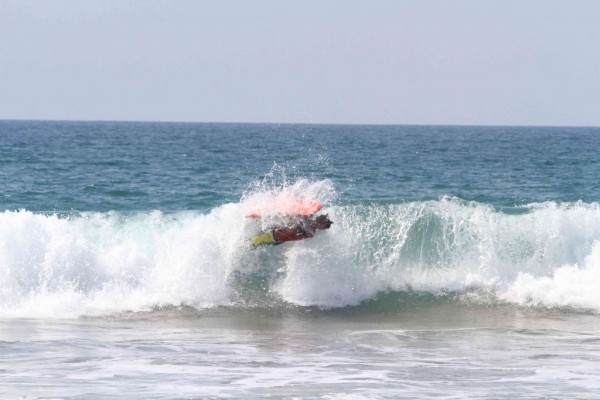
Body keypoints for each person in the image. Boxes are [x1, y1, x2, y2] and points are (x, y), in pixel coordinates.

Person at [251, 214, 333, 247]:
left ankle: (245, 250)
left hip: (274, 237)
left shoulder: (311, 232)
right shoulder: (309, 220)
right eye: (323, 216)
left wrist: (303, 216)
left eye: (323, 218)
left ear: (321, 225)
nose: (321, 215)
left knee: (253, 243)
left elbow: (301, 225)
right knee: (252, 238)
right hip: (276, 229)